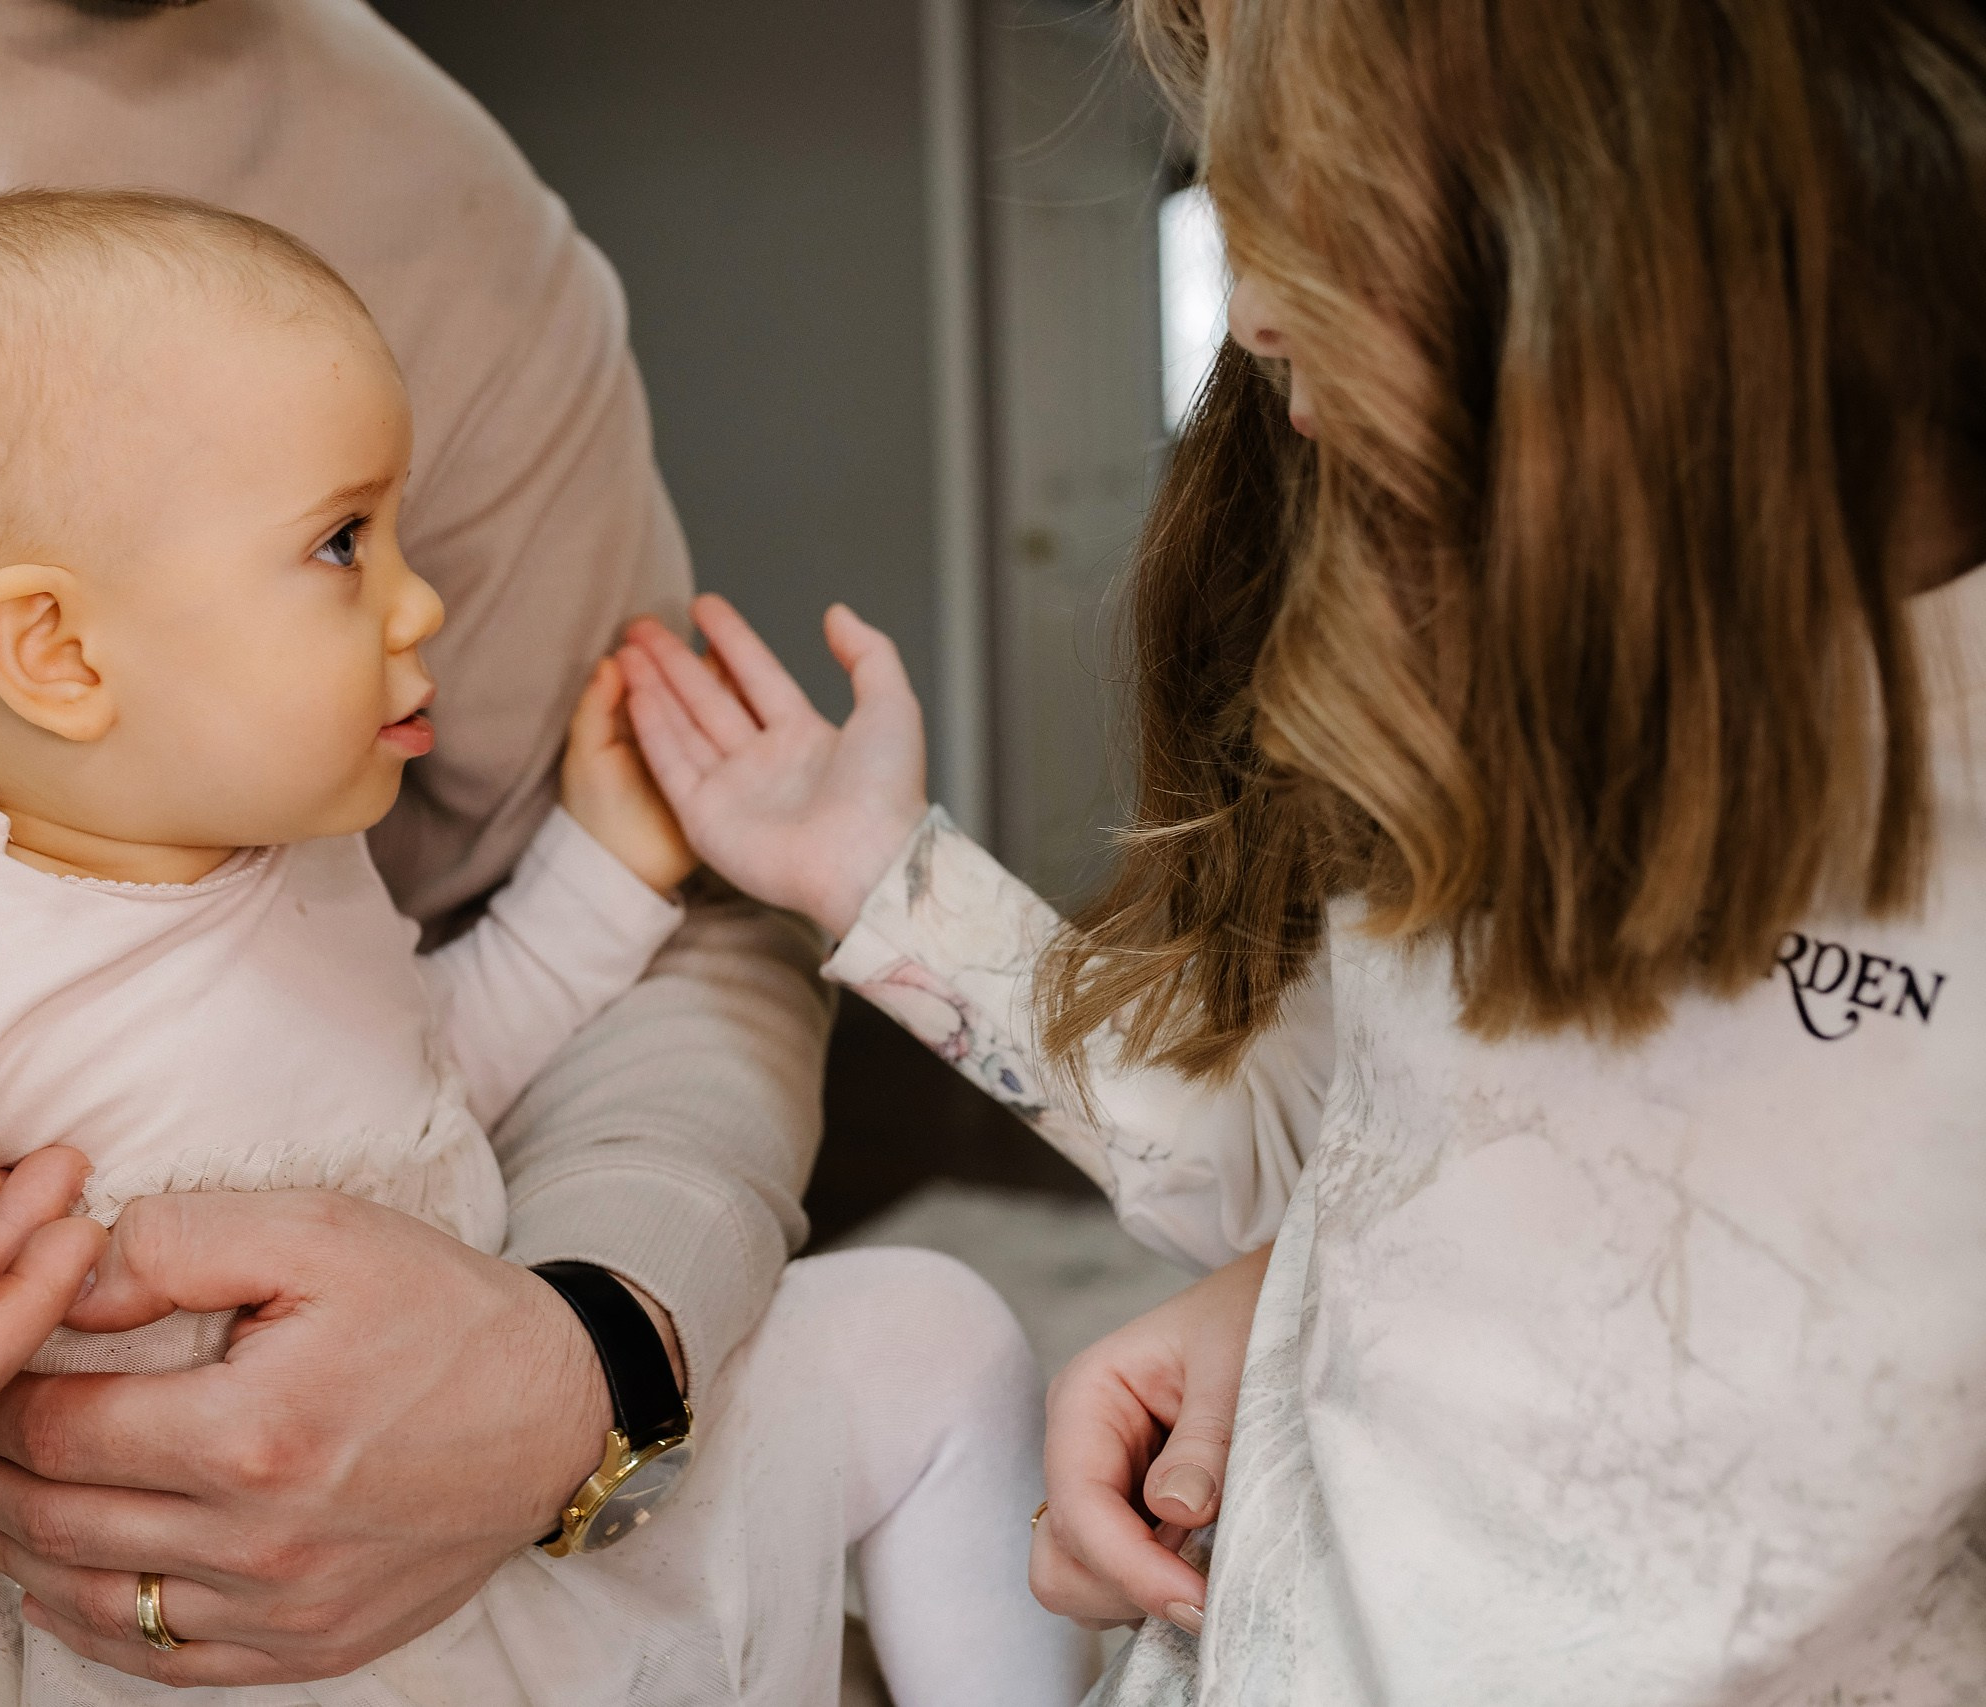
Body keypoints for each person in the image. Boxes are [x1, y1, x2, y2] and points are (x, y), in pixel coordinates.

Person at [0, 187, 1085, 1707]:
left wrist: (608, 865)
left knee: (934, 1331)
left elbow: (440, 1078)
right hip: (188, 1641)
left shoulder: (314, 872)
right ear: (57, 651)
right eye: (344, 546)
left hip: (499, 1564)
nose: (421, 603)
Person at [610, 0, 1986, 1700]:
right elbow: (1306, 1157)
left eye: (1324, 190)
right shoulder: (1457, 677)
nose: (1252, 313)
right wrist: (882, 881)